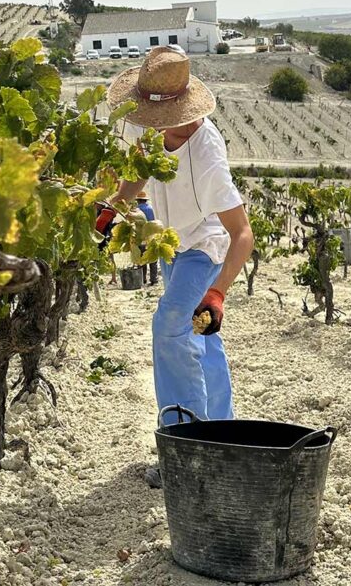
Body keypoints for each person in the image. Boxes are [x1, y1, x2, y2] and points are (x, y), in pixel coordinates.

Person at [96, 46, 254, 430]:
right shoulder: (146, 123)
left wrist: (217, 293)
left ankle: (186, 439)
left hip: (206, 247)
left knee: (170, 325)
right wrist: (114, 205)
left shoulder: (206, 154)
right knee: (201, 338)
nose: (148, 123)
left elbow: (242, 234)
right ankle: (221, 429)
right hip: (173, 244)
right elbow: (141, 169)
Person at [136, 191, 159, 286]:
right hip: (151, 237)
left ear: (138, 201)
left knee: (141, 259)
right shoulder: (151, 209)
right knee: (153, 259)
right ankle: (153, 279)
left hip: (140, 237)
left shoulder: (136, 210)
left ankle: (143, 279)